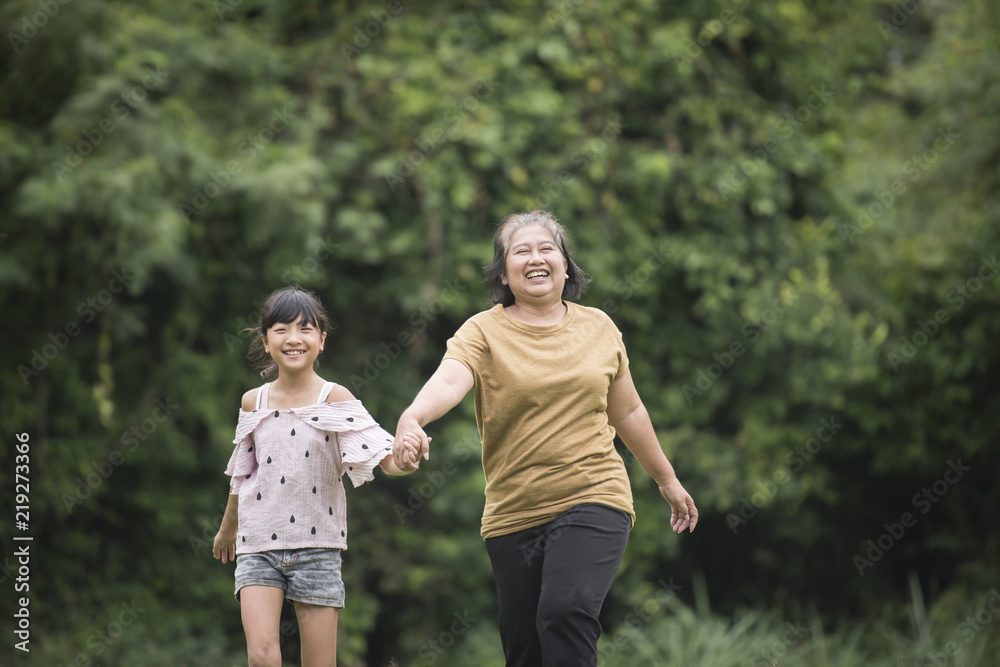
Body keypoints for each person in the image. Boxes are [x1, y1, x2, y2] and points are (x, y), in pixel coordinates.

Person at [393, 210, 698, 667]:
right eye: (521, 251)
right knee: (525, 649)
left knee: (565, 610)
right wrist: (413, 417)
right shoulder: (483, 331)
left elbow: (629, 410)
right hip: (513, 509)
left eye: (546, 248)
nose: (536, 258)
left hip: (594, 493)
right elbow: (450, 382)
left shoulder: (599, 328)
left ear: (566, 265)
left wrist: (667, 480)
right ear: (503, 273)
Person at [213, 286, 415, 667]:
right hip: (257, 542)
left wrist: (405, 457)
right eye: (281, 329)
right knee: (261, 656)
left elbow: (382, 455)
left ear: (321, 340)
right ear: (265, 340)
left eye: (305, 329)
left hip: (317, 545)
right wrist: (227, 529)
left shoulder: (335, 399)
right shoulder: (252, 401)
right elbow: (242, 472)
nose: (293, 339)